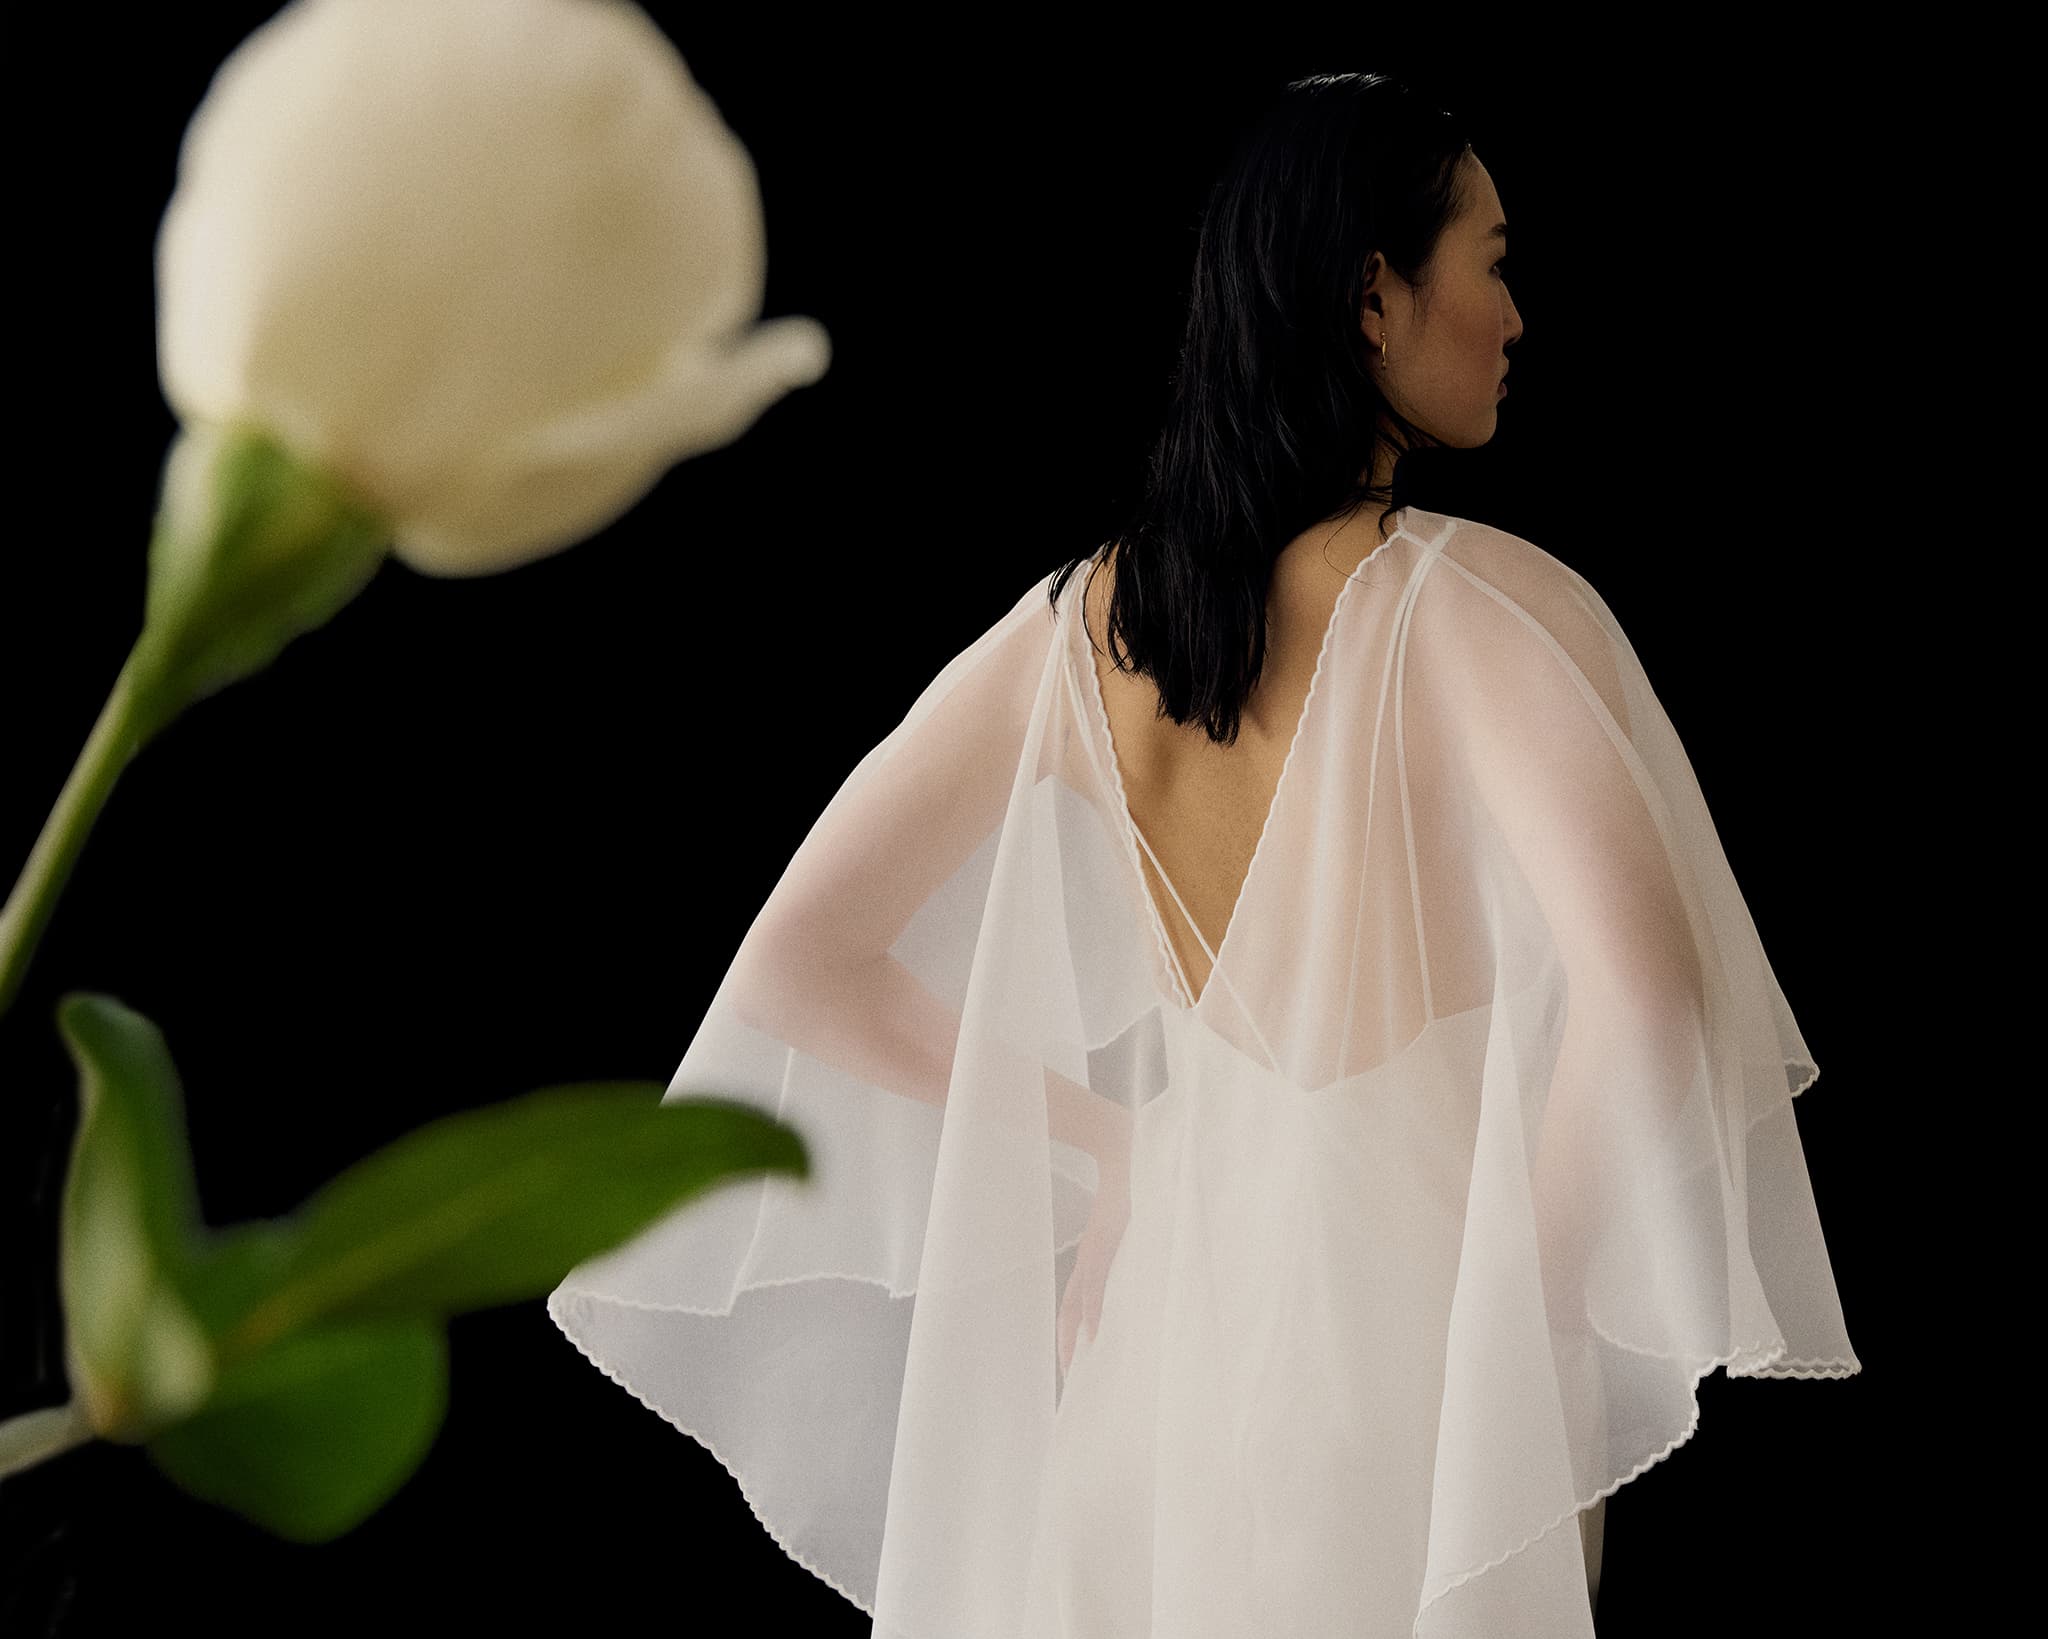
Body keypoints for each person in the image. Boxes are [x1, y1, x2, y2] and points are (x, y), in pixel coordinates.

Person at [548, 72, 1858, 1638]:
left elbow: (797, 964)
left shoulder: (1083, 629)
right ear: (1376, 296)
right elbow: (1649, 996)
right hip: (1405, 1328)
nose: (1514, 314)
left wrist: (1116, 1151)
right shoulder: (1472, 610)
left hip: (1157, 1338)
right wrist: (1526, 1318)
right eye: (1493, 262)